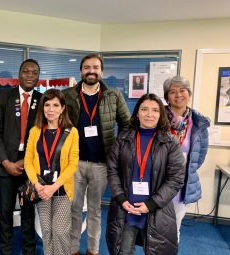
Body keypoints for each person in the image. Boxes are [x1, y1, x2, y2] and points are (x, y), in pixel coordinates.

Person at [64, 54, 130, 255]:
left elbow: (126, 124)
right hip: (74, 164)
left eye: (95, 67)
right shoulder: (68, 95)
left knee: (94, 211)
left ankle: (92, 251)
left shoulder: (113, 95)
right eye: (86, 67)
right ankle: (73, 250)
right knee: (73, 210)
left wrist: (118, 151)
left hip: (102, 164)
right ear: (81, 71)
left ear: (101, 71)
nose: (91, 71)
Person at [106, 93, 186, 255]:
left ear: (160, 114)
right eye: (144, 109)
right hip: (126, 209)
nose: (149, 114)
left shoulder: (170, 142)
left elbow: (176, 178)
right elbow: (112, 171)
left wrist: (150, 205)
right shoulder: (123, 139)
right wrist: (121, 199)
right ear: (137, 113)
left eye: (155, 110)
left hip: (155, 210)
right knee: (123, 251)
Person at [0, 59, 42, 255]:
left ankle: (29, 251)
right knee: (5, 213)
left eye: (34, 72)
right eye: (26, 71)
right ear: (19, 74)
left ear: (38, 76)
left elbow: (44, 135)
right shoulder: (4, 96)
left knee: (28, 213)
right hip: (6, 164)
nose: (30, 75)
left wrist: (26, 160)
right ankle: (6, 251)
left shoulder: (42, 100)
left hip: (30, 165)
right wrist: (5, 162)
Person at [24, 89, 79, 255]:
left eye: (56, 105)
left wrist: (53, 187)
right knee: (46, 231)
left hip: (61, 190)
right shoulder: (35, 131)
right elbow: (28, 161)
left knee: (60, 232)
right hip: (41, 189)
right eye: (47, 105)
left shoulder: (72, 132)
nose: (51, 109)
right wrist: (37, 185)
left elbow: (72, 164)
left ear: (62, 108)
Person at [163, 76, 210, 240]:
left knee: (175, 224)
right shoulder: (157, 118)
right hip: (158, 179)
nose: (178, 95)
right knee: (153, 225)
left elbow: (200, 154)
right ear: (166, 96)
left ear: (188, 93)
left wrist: (185, 170)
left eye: (182, 90)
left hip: (182, 182)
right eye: (173, 92)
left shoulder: (199, 123)